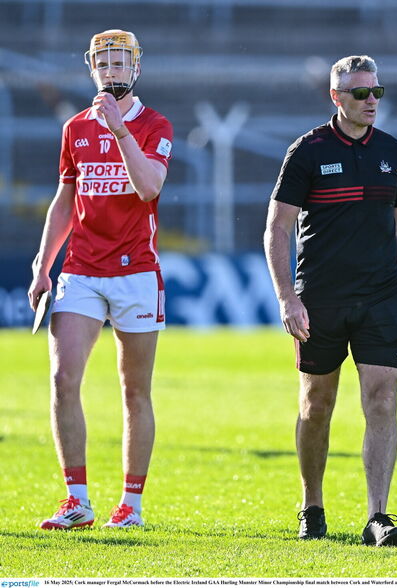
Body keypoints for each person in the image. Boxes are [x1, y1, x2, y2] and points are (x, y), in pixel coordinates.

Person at [264, 55, 397, 546]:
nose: (371, 100)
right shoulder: (306, 151)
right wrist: (288, 298)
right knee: (317, 405)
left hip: (380, 300)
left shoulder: (393, 151)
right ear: (336, 97)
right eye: (360, 93)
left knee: (382, 399)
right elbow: (277, 228)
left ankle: (379, 516)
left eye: (376, 92)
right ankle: (312, 504)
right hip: (321, 300)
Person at [28, 29, 173, 528]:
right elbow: (66, 198)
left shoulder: (154, 124)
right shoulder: (75, 128)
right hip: (82, 270)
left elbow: (148, 185)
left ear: (136, 68)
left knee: (135, 391)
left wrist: (121, 132)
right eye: (103, 64)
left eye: (120, 64)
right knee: (63, 379)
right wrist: (44, 262)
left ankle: (129, 505)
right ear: (93, 68)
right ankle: (77, 500)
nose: (112, 73)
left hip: (136, 272)